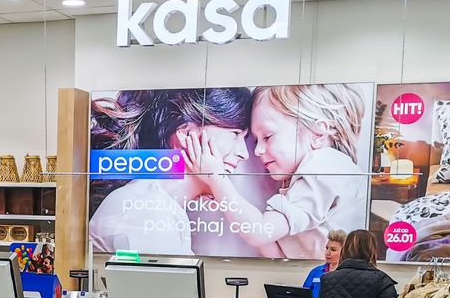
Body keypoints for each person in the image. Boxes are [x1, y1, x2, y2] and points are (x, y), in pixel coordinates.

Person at [183, 84, 368, 259]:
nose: (257, 151)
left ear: (318, 134)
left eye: (268, 136)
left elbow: (260, 232)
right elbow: (278, 254)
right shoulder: (311, 176)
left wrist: (216, 179)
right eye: (256, 141)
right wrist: (224, 197)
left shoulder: (324, 166)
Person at [88, 88, 252, 255]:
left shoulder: (157, 204)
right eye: (235, 133)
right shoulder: (149, 212)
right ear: (187, 134)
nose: (244, 153)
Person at [302, 228, 346, 298]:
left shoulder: (347, 274)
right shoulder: (316, 272)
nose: (327, 252)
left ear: (344, 252)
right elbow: (303, 297)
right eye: (327, 248)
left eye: (333, 250)